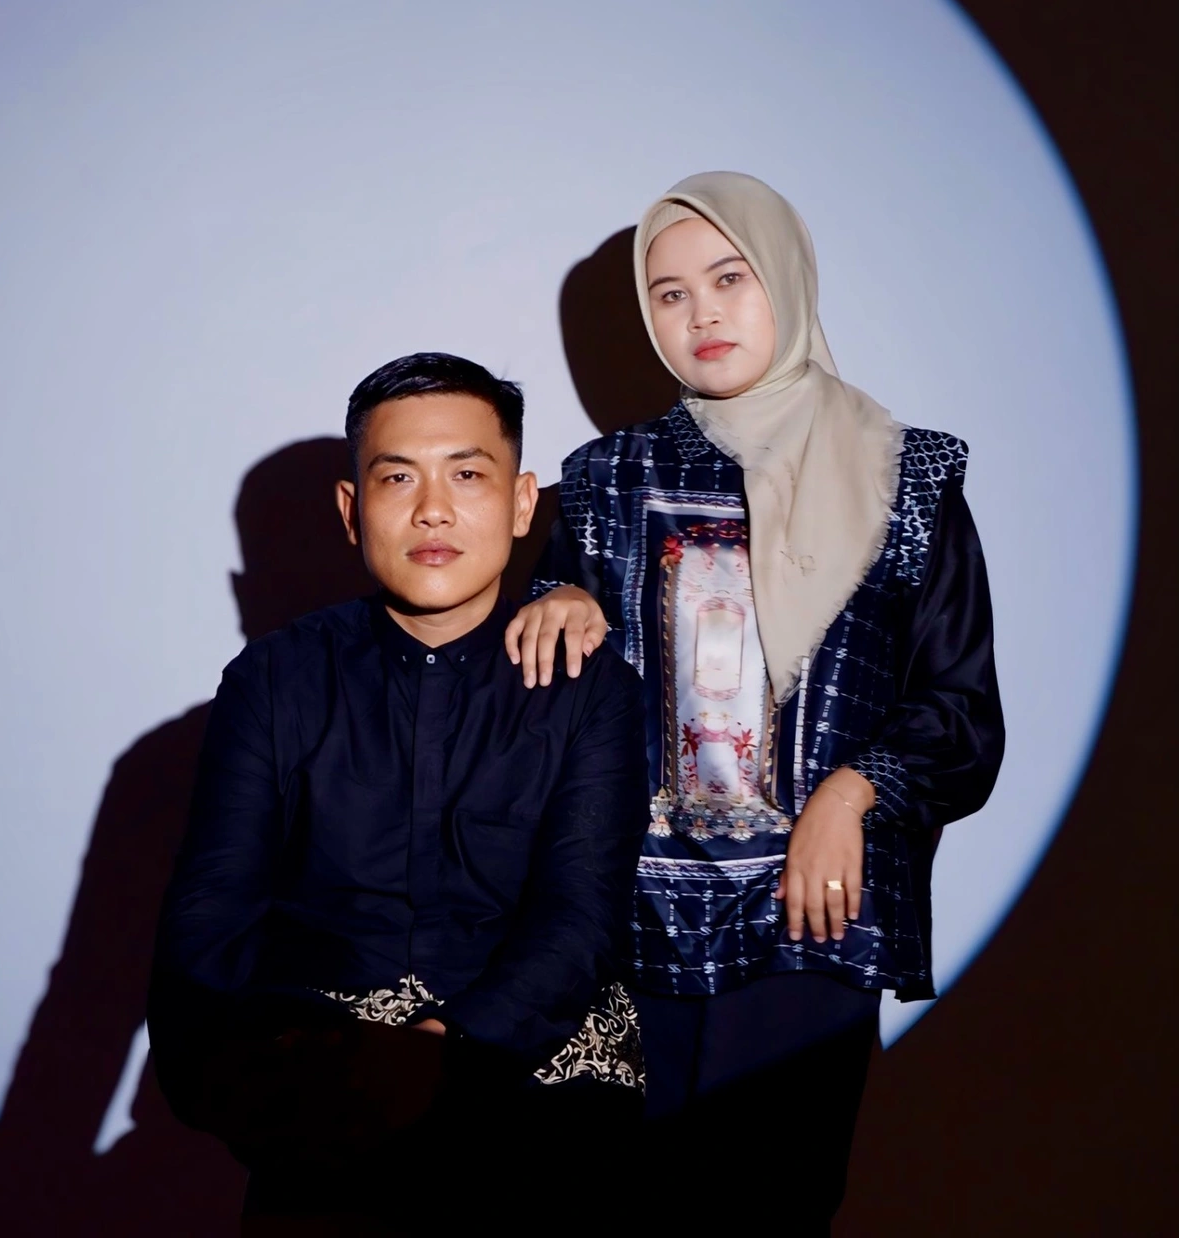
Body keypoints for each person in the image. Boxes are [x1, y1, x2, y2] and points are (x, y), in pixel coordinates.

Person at [507, 172, 1005, 1234]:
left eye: (729, 278)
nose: (703, 313)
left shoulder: (908, 479)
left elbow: (961, 709)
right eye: (670, 293)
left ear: (785, 276)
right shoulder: (605, 482)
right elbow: (546, 695)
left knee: (765, 1209)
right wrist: (554, 600)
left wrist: (854, 792)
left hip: (810, 920)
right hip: (628, 924)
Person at [149, 353, 648, 1233]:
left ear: (521, 503)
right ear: (352, 511)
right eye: (397, 477)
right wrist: (246, 1083)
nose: (433, 510)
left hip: (538, 1080)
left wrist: (439, 1056)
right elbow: (209, 916)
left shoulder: (590, 684)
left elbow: (580, 920)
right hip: (326, 1085)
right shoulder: (274, 679)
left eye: (467, 474)